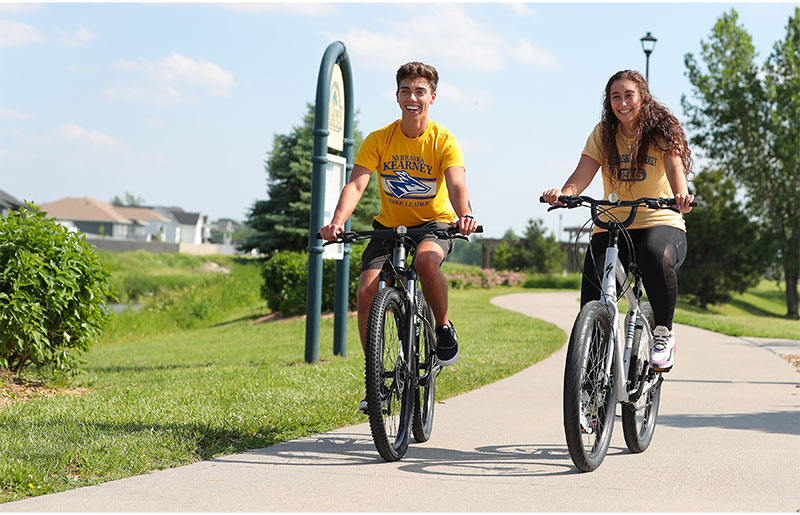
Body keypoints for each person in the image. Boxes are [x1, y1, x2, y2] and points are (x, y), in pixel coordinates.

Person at [319, 61, 479, 410]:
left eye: (420, 91)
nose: (412, 97)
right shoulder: (379, 139)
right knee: (365, 293)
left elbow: (456, 183)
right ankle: (374, 376)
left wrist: (464, 214)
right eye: (405, 90)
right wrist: (337, 221)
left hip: (435, 224)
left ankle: (442, 326)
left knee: (425, 260)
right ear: (396, 95)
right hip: (389, 228)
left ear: (432, 97)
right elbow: (357, 182)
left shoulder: (443, 140)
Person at [542, 69, 694, 372]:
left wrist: (681, 195)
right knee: (592, 295)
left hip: (659, 219)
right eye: (615, 96)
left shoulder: (662, 130)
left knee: (653, 255)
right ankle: (593, 374)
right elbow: (583, 173)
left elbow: (675, 166)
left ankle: (664, 333)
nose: (622, 102)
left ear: (643, 97)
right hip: (612, 224)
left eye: (629, 95)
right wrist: (564, 193)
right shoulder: (603, 133)